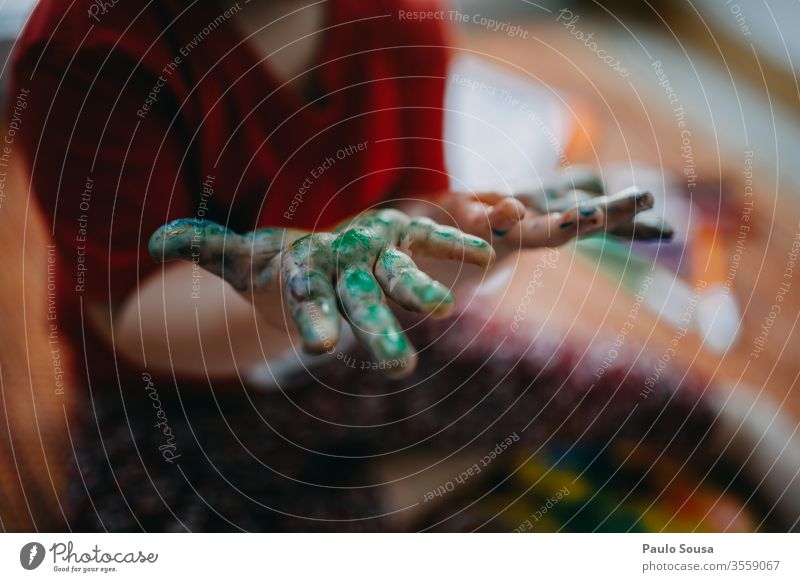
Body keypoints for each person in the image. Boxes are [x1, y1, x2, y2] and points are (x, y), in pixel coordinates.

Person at [11, 0, 663, 531]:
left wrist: (468, 246)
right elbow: (132, 308)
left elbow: (409, 217)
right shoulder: (86, 49)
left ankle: (410, 479)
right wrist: (277, 303)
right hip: (175, 398)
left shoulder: (407, 18)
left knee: (661, 402)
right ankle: (432, 476)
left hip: (373, 341)